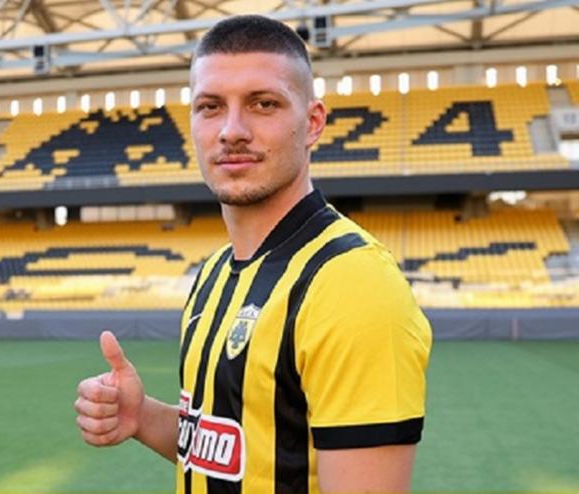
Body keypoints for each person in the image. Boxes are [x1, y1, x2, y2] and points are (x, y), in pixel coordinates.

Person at [74, 14, 432, 494]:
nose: (232, 130)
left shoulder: (352, 284)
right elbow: (239, 448)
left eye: (263, 104)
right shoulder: (214, 273)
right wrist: (143, 417)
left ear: (312, 123)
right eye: (210, 107)